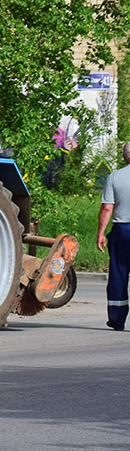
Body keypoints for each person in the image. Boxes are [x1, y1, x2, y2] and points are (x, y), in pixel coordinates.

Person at [97, 140, 130, 331]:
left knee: (118, 273)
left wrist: (101, 233)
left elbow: (107, 207)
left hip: (121, 230)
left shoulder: (114, 177)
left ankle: (117, 318)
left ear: (125, 156)